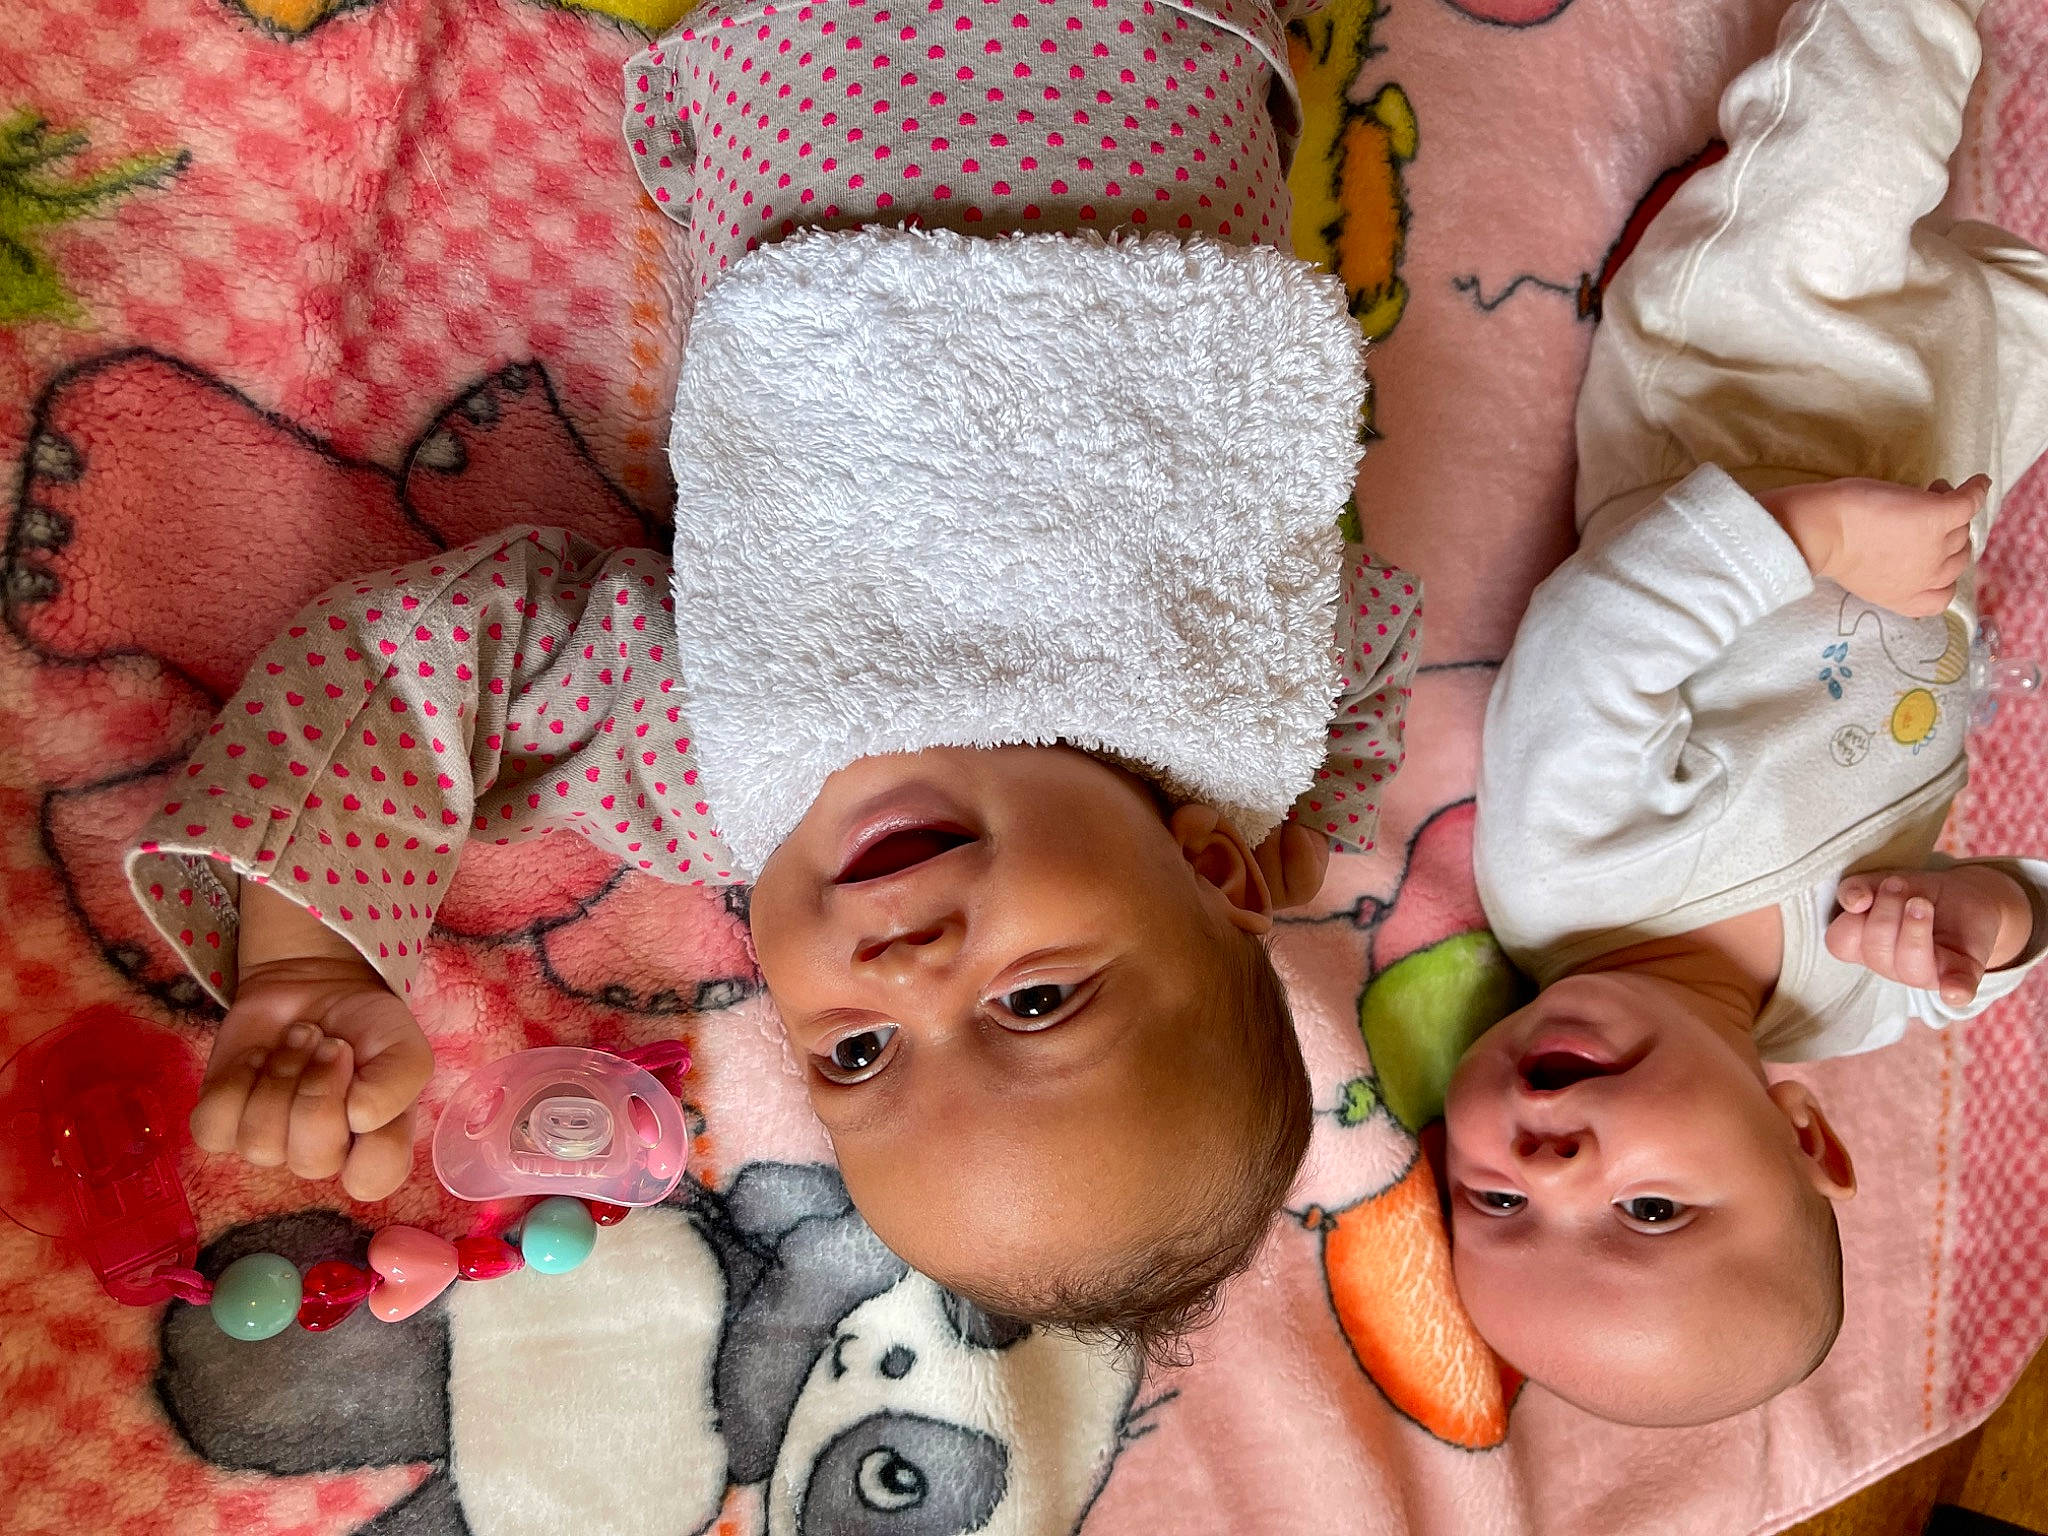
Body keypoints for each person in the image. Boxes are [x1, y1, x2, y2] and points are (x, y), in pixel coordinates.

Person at [123, 0, 1420, 1364]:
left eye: (856, 1055)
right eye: (1032, 1004)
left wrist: (312, 949)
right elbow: (1374, 638)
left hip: (816, 44)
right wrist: (1304, 813)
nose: (908, 974)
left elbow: (417, 661)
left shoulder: (716, 762)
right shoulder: (1229, 700)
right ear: (1217, 878)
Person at [1455, 0, 2048, 1426]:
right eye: (1650, 1211)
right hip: (1956, 427)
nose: (1552, 1167)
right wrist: (1982, 926)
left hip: (1748, 374)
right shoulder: (1843, 1009)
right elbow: (2021, 915)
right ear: (1799, 1133)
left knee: (1874, 112)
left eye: (1495, 1200)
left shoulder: (1567, 881)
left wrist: (1823, 546)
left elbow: (1600, 634)